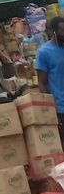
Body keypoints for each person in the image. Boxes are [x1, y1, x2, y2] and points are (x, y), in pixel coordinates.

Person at [36, 17, 64, 147]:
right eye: (62, 31)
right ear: (53, 32)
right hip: (60, 108)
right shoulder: (44, 52)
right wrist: (50, 110)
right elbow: (42, 82)